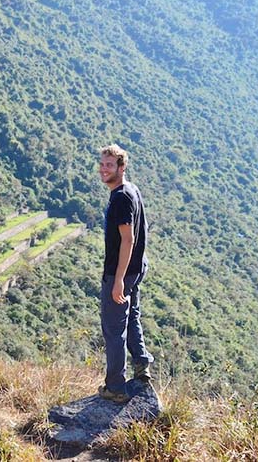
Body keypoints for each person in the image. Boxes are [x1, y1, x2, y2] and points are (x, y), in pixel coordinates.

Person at [97, 144, 153, 404]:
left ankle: (116, 387)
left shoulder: (120, 197)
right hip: (136, 268)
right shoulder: (132, 190)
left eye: (110, 165)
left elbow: (128, 240)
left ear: (122, 168)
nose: (103, 169)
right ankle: (142, 366)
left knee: (113, 328)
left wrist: (118, 279)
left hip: (121, 272)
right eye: (102, 164)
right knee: (132, 317)